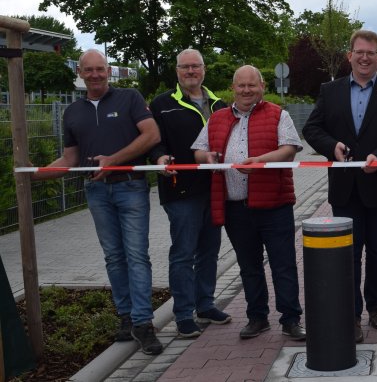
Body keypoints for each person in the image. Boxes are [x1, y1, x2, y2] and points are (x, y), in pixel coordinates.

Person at [32, 49, 163, 355]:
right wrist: (32, 175)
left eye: (100, 69)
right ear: (79, 72)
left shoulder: (129, 98)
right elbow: (69, 159)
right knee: (114, 258)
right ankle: (126, 317)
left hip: (130, 188)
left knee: (137, 256)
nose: (95, 74)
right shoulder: (72, 112)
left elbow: (152, 134)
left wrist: (113, 161)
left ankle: (144, 323)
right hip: (97, 193)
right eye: (88, 70)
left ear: (109, 71)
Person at [303, 29, 377, 343]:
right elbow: (312, 128)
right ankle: (351, 315)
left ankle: (376, 307)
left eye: (371, 53)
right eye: (359, 52)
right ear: (349, 55)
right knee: (348, 254)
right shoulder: (330, 90)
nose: (365, 58)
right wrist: (331, 146)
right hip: (345, 188)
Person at [192, 65, 305, 341]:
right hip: (235, 206)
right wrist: (206, 159)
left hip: (274, 205)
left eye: (251, 85)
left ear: (262, 86)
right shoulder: (216, 118)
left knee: (284, 265)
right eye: (241, 85)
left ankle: (290, 319)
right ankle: (257, 318)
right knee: (248, 266)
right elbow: (198, 150)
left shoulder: (279, 114)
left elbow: (289, 149)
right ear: (233, 88)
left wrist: (263, 161)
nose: (246, 90)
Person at [149, 49, 231, 338]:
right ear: (177, 71)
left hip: (216, 188)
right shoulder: (162, 104)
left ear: (204, 70)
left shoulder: (221, 105)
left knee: (209, 251)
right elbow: (154, 143)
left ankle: (205, 305)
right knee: (183, 253)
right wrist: (159, 160)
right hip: (181, 189)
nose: (191, 71)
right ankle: (183, 314)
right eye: (185, 67)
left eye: (195, 66)